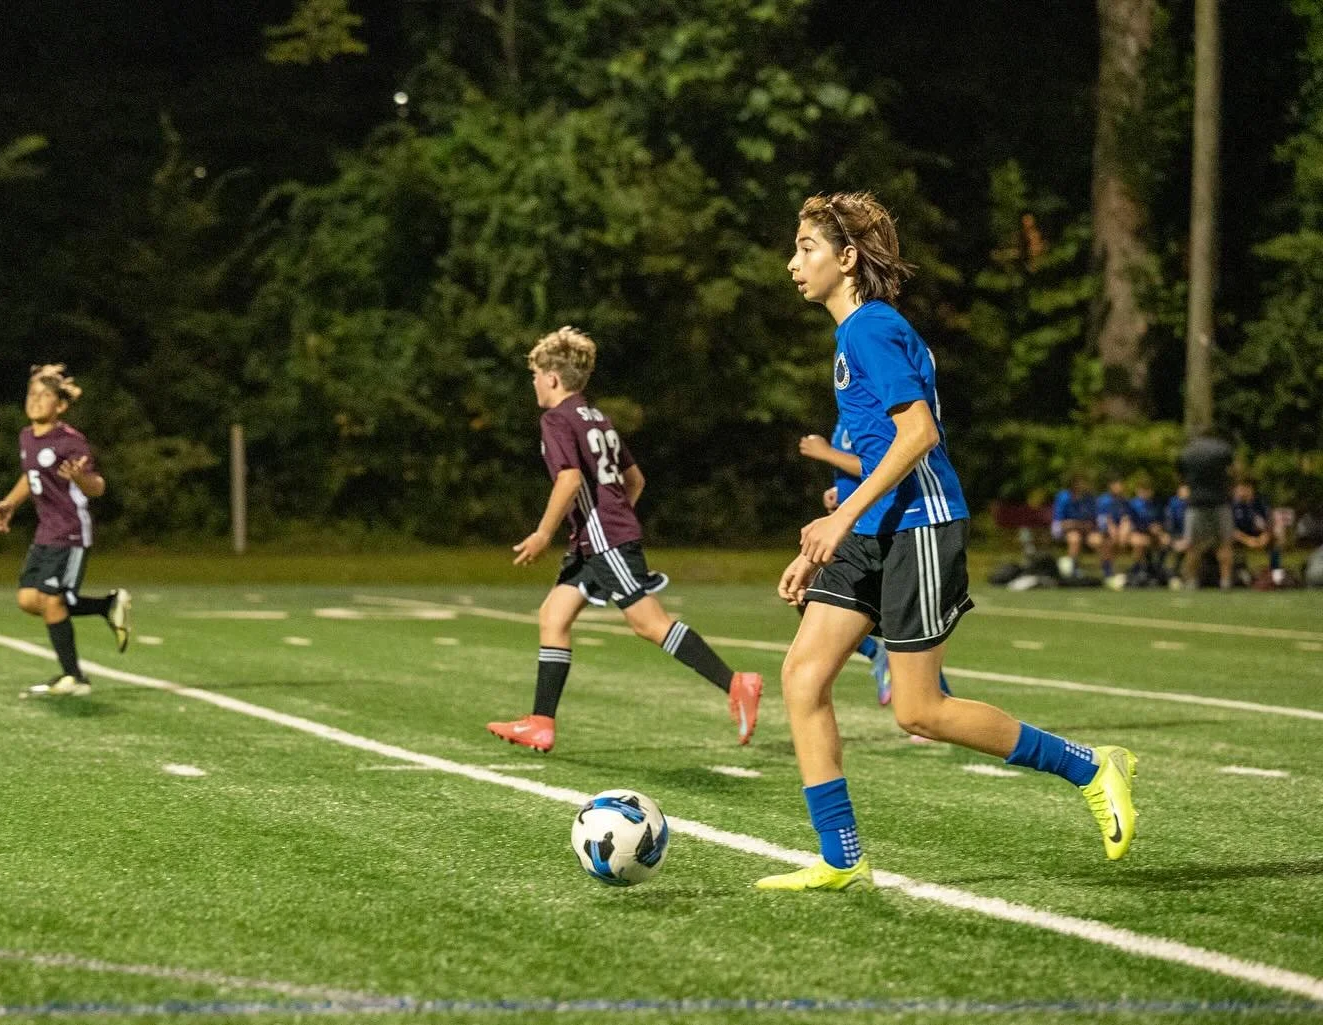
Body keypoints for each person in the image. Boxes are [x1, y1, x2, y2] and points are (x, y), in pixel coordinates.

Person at [757, 191, 1137, 892]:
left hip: (921, 526)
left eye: (807, 248)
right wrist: (827, 536)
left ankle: (1091, 766)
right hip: (874, 528)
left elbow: (919, 435)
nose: (792, 263)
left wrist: (839, 519)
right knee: (803, 677)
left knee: (919, 710)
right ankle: (841, 856)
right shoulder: (854, 334)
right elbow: (879, 452)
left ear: (847, 259)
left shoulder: (871, 328)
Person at [486, 327, 763, 754]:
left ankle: (735, 683)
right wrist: (614, 519)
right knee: (553, 616)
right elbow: (635, 480)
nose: (535, 383)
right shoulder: (596, 417)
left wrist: (545, 533)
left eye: (536, 376)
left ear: (552, 378)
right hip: (596, 541)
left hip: (604, 541)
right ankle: (541, 723)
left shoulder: (556, 419)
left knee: (648, 624)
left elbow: (569, 479)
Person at [0, 365, 131, 697]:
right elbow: (31, 476)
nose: (35, 400)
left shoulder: (70, 441)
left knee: (52, 601)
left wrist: (79, 477)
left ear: (61, 405)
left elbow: (97, 487)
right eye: (32, 394)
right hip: (45, 532)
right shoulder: (26, 436)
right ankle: (106, 606)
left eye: (45, 395)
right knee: (29, 600)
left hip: (70, 532)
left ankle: (74, 677)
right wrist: (10, 503)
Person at [798, 428, 952, 708]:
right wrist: (842, 495)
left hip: (888, 529)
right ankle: (879, 656)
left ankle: (937, 703)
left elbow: (890, 459)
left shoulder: (877, 405)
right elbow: (867, 470)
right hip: (857, 527)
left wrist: (827, 454)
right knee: (806, 597)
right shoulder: (845, 412)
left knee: (906, 631)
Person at [1177, 433, 1235, 589]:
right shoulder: (1223, 450)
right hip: (1220, 501)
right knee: (1225, 543)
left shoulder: (1187, 452)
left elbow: (1181, 475)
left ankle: (1191, 581)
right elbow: (1232, 470)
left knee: (1192, 545)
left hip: (1196, 503)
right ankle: (1225, 581)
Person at [1050, 474, 1104, 579]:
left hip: (1085, 530)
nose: (1083, 485)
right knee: (1075, 539)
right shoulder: (1063, 497)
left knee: (1099, 541)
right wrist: (1076, 524)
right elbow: (1060, 522)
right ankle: (1072, 570)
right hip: (1065, 530)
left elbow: (1093, 519)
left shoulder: (1089, 498)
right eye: (1080, 482)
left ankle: (1105, 571)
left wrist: (1087, 525)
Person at [1231, 478, 1281, 584]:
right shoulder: (1231, 506)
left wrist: (1265, 537)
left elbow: (1269, 523)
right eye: (1239, 488)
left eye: (1245, 488)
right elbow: (1230, 529)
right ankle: (1236, 576)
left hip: (1258, 536)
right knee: (1226, 543)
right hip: (1239, 537)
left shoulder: (1260, 503)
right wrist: (1248, 540)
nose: (1241, 491)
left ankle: (1277, 577)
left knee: (1275, 542)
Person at [1120, 476, 1166, 586]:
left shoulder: (1157, 504)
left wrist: (1159, 528)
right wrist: (1148, 528)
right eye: (1143, 490)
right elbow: (1130, 522)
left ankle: (1156, 569)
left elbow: (1162, 520)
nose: (1145, 493)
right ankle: (1137, 569)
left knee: (1165, 541)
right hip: (1137, 532)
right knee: (1139, 542)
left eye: (1148, 490)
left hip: (1153, 534)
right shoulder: (1132, 504)